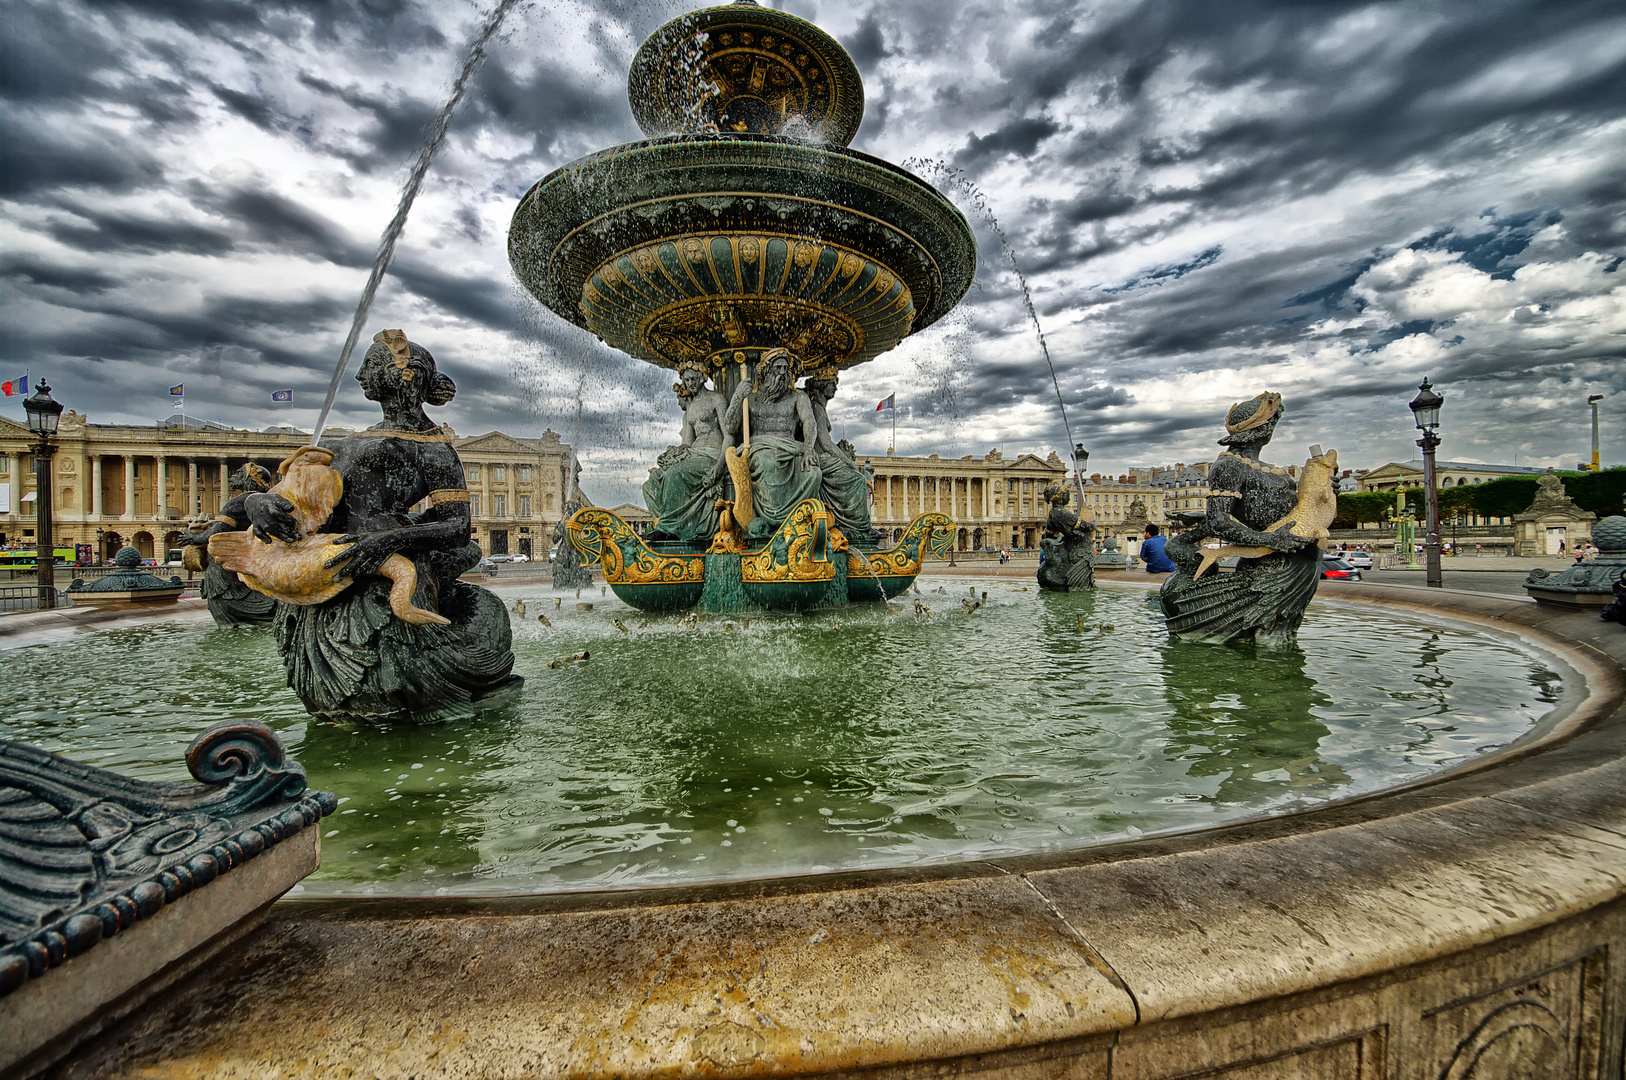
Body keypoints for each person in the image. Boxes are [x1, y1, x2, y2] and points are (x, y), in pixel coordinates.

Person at [244, 330, 520, 722]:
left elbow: (457, 528)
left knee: (392, 672)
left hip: (385, 567)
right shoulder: (346, 442)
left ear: (405, 375)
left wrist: (389, 539)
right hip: (326, 561)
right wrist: (259, 503)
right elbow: (291, 495)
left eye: (369, 367)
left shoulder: (436, 450)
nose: (359, 377)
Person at [1158, 392, 1324, 643]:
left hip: (1300, 564)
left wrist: (1324, 491)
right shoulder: (1228, 465)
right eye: (1272, 424)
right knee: (1266, 642)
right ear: (1263, 427)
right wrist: (1269, 539)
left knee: (1279, 639)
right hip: (1269, 567)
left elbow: (1302, 507)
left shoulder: (1268, 467)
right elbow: (1218, 521)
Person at [724, 349, 822, 541]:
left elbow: (810, 422)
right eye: (778, 367)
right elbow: (729, 426)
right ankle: (772, 522)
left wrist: (809, 450)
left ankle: (797, 523)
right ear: (766, 371)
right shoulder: (750, 398)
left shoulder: (797, 397)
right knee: (769, 464)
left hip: (792, 448)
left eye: (786, 368)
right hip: (760, 447)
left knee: (814, 473)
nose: (783, 372)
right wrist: (737, 396)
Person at [642, 360, 732, 543]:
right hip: (694, 454)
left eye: (693, 378)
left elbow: (729, 436)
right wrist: (672, 454)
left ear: (702, 378)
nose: (690, 383)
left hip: (712, 453)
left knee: (674, 475)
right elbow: (687, 443)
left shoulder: (717, 399)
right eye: (686, 379)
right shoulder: (690, 409)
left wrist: (720, 464)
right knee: (653, 481)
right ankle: (676, 525)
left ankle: (667, 528)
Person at [801, 370, 876, 541]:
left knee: (858, 474)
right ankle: (860, 526)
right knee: (856, 479)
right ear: (821, 386)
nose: (835, 388)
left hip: (823, 457)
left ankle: (850, 523)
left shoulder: (818, 407)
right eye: (832, 383)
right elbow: (825, 442)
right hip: (819, 458)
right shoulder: (816, 408)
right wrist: (848, 461)